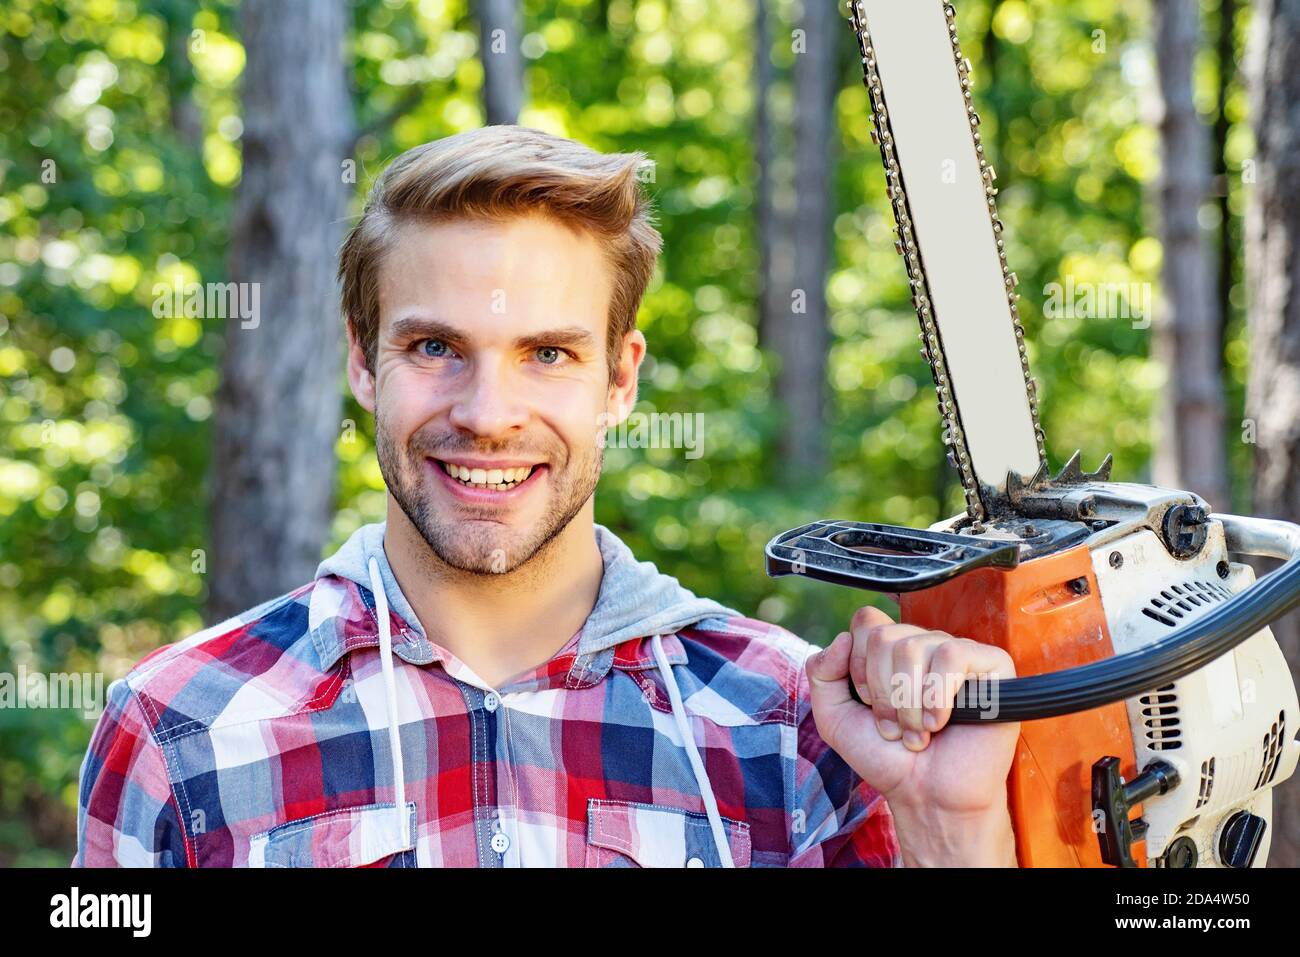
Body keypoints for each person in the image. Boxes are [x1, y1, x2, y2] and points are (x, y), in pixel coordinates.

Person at [72, 125, 1019, 868]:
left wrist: (951, 830)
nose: (488, 415)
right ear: (363, 360)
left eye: (549, 353)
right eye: (434, 347)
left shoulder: (793, 727)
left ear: (620, 380)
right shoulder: (176, 728)